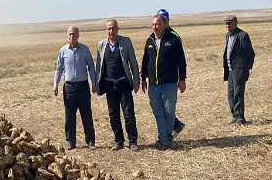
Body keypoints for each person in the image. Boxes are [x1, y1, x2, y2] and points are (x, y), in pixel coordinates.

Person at [141, 15, 187, 149]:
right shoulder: (149, 40)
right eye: (153, 25)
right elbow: (145, 61)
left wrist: (182, 79)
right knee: (158, 113)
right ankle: (164, 139)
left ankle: (166, 137)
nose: (155, 27)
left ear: (164, 24)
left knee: (169, 111)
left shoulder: (173, 39)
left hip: (169, 84)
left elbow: (181, 61)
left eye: (157, 24)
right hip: (153, 85)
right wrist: (143, 79)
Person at [95, 19, 140, 151]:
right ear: (106, 30)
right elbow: (99, 67)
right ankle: (118, 140)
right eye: (109, 29)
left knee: (128, 114)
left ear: (117, 29)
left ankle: (133, 141)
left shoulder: (125, 42)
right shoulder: (101, 45)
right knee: (113, 115)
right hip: (109, 86)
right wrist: (96, 84)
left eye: (113, 28)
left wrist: (136, 81)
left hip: (124, 84)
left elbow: (133, 63)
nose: (111, 31)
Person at [53, 26, 97, 150]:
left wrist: (94, 83)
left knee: (86, 115)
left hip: (83, 86)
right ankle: (71, 141)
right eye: (70, 34)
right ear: (67, 36)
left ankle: (90, 141)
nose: (72, 36)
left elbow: (91, 67)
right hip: (69, 87)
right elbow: (59, 69)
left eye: (74, 34)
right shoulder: (63, 51)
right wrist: (55, 84)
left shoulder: (84, 50)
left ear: (78, 35)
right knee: (69, 116)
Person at [156, 8, 186, 139]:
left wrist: (182, 78)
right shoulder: (157, 35)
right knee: (160, 108)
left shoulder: (173, 36)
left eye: (164, 19)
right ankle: (173, 127)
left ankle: (174, 127)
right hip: (158, 79)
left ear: (167, 20)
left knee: (168, 107)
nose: (162, 22)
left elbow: (180, 59)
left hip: (170, 77)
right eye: (160, 19)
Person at [222, 15, 255, 125]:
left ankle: (240, 118)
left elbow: (250, 53)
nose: (228, 26)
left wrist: (248, 67)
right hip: (230, 70)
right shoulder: (228, 36)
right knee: (231, 94)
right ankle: (234, 116)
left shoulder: (243, 35)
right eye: (226, 24)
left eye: (230, 23)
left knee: (238, 93)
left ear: (236, 23)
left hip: (240, 69)